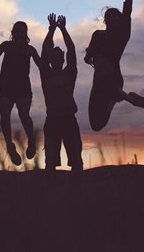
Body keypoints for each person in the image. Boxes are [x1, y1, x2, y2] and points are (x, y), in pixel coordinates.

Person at [84, 0, 144, 132]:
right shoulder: (97, 35)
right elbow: (88, 55)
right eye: (107, 15)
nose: (109, 16)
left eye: (113, 15)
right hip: (99, 81)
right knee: (96, 124)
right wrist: (88, 58)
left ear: (119, 19)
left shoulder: (121, 35)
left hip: (112, 78)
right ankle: (116, 99)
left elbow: (128, 11)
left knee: (109, 89)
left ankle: (128, 98)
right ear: (104, 20)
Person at [0, 21, 40, 165]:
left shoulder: (30, 49)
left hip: (23, 88)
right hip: (7, 87)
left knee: (24, 115)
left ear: (26, 33)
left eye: (22, 31)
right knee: (5, 117)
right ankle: (10, 146)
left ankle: (31, 140)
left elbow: (41, 64)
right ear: (13, 32)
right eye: (17, 31)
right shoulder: (6, 45)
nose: (19, 34)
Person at [39, 13, 83, 171]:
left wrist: (63, 30)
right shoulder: (46, 73)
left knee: (76, 161)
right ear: (51, 60)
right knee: (50, 162)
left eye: (60, 57)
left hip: (69, 120)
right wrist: (51, 29)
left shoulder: (69, 73)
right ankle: (52, 193)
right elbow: (44, 51)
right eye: (55, 57)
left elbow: (71, 50)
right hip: (52, 120)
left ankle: (77, 192)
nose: (58, 59)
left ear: (63, 60)